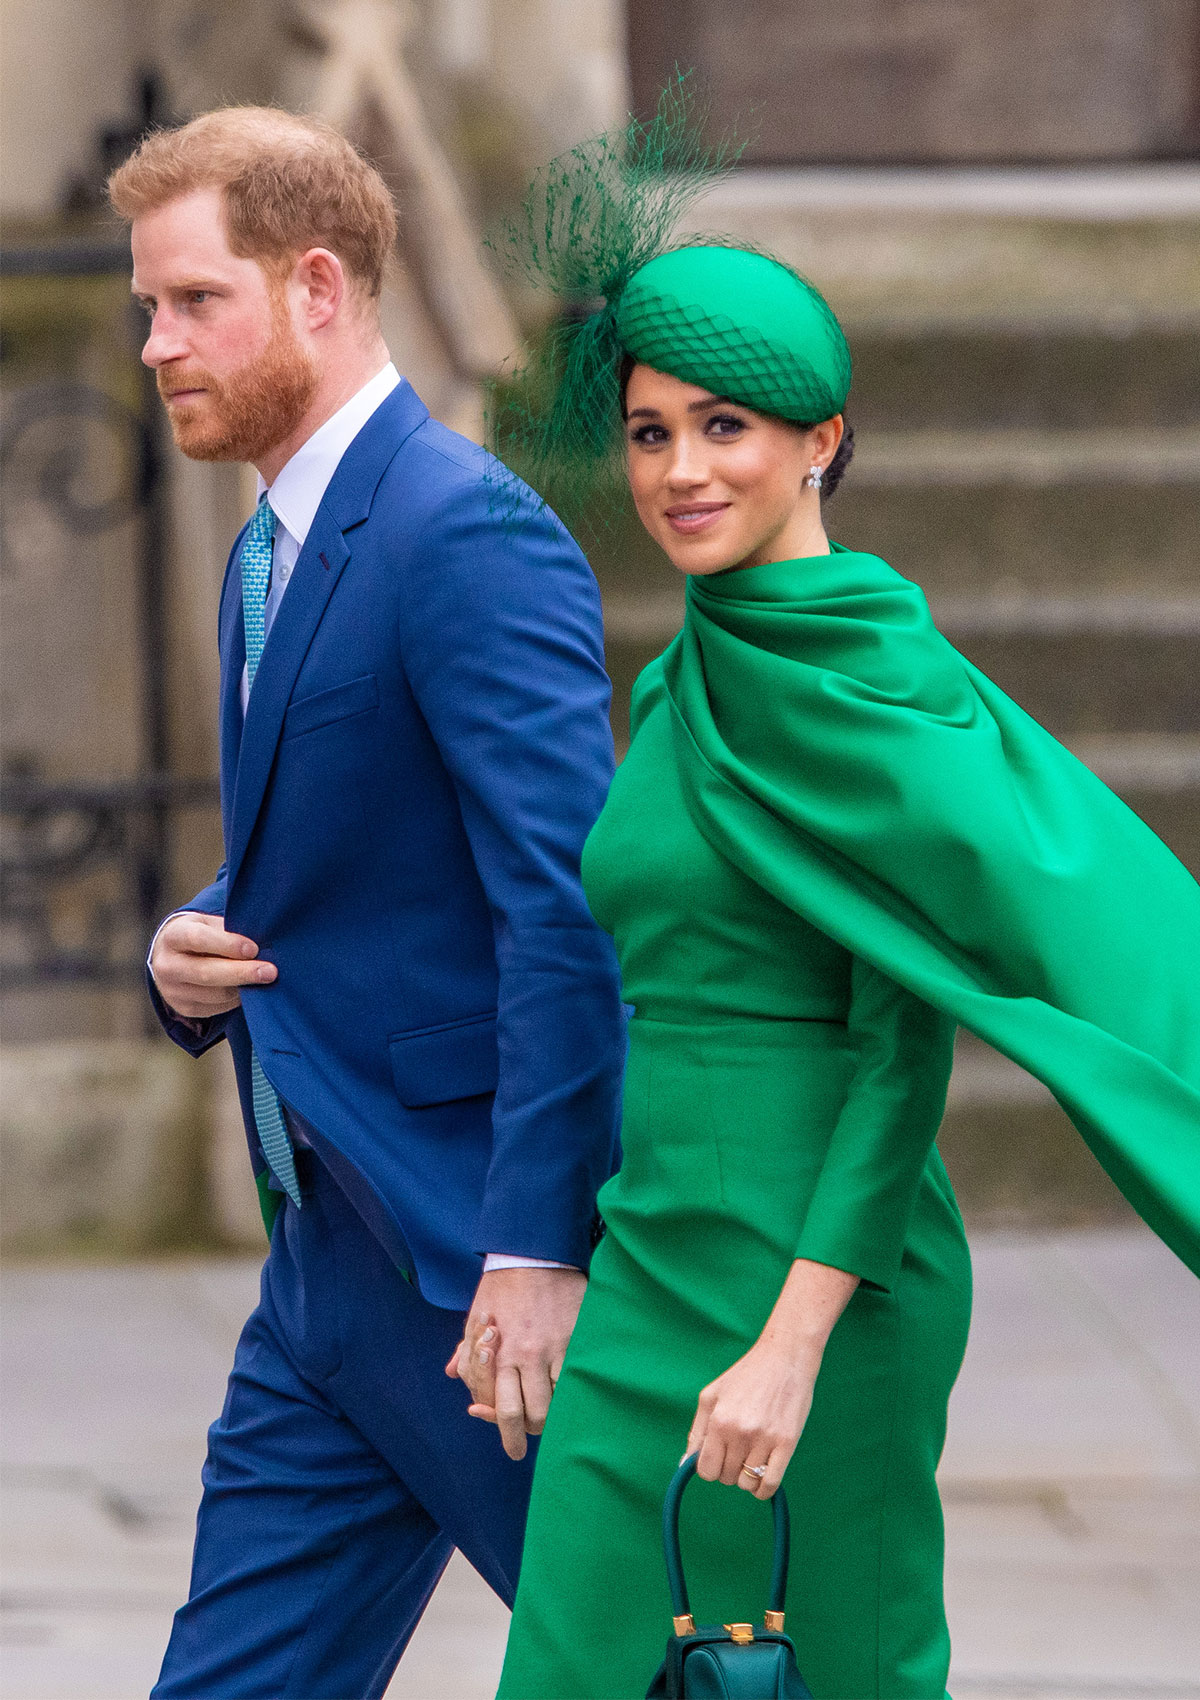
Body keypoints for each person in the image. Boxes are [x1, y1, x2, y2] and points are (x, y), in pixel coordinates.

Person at [462, 122, 1200, 1700]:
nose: (680, 471)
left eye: (725, 426)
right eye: (650, 434)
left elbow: (899, 1051)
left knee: (830, 1670)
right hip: (650, 1253)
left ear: (822, 441)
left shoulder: (880, 688)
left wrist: (792, 1344)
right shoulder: (678, 683)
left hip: (822, 1280)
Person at [108, 106, 626, 1698]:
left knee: (672, 1669)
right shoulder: (269, 546)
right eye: (144, 307)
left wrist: (536, 1248)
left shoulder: (463, 531)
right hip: (323, 1283)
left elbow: (565, 904)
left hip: (474, 1285)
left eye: (193, 301)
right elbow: (344, 846)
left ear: (316, 288)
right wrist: (186, 951)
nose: (152, 344)